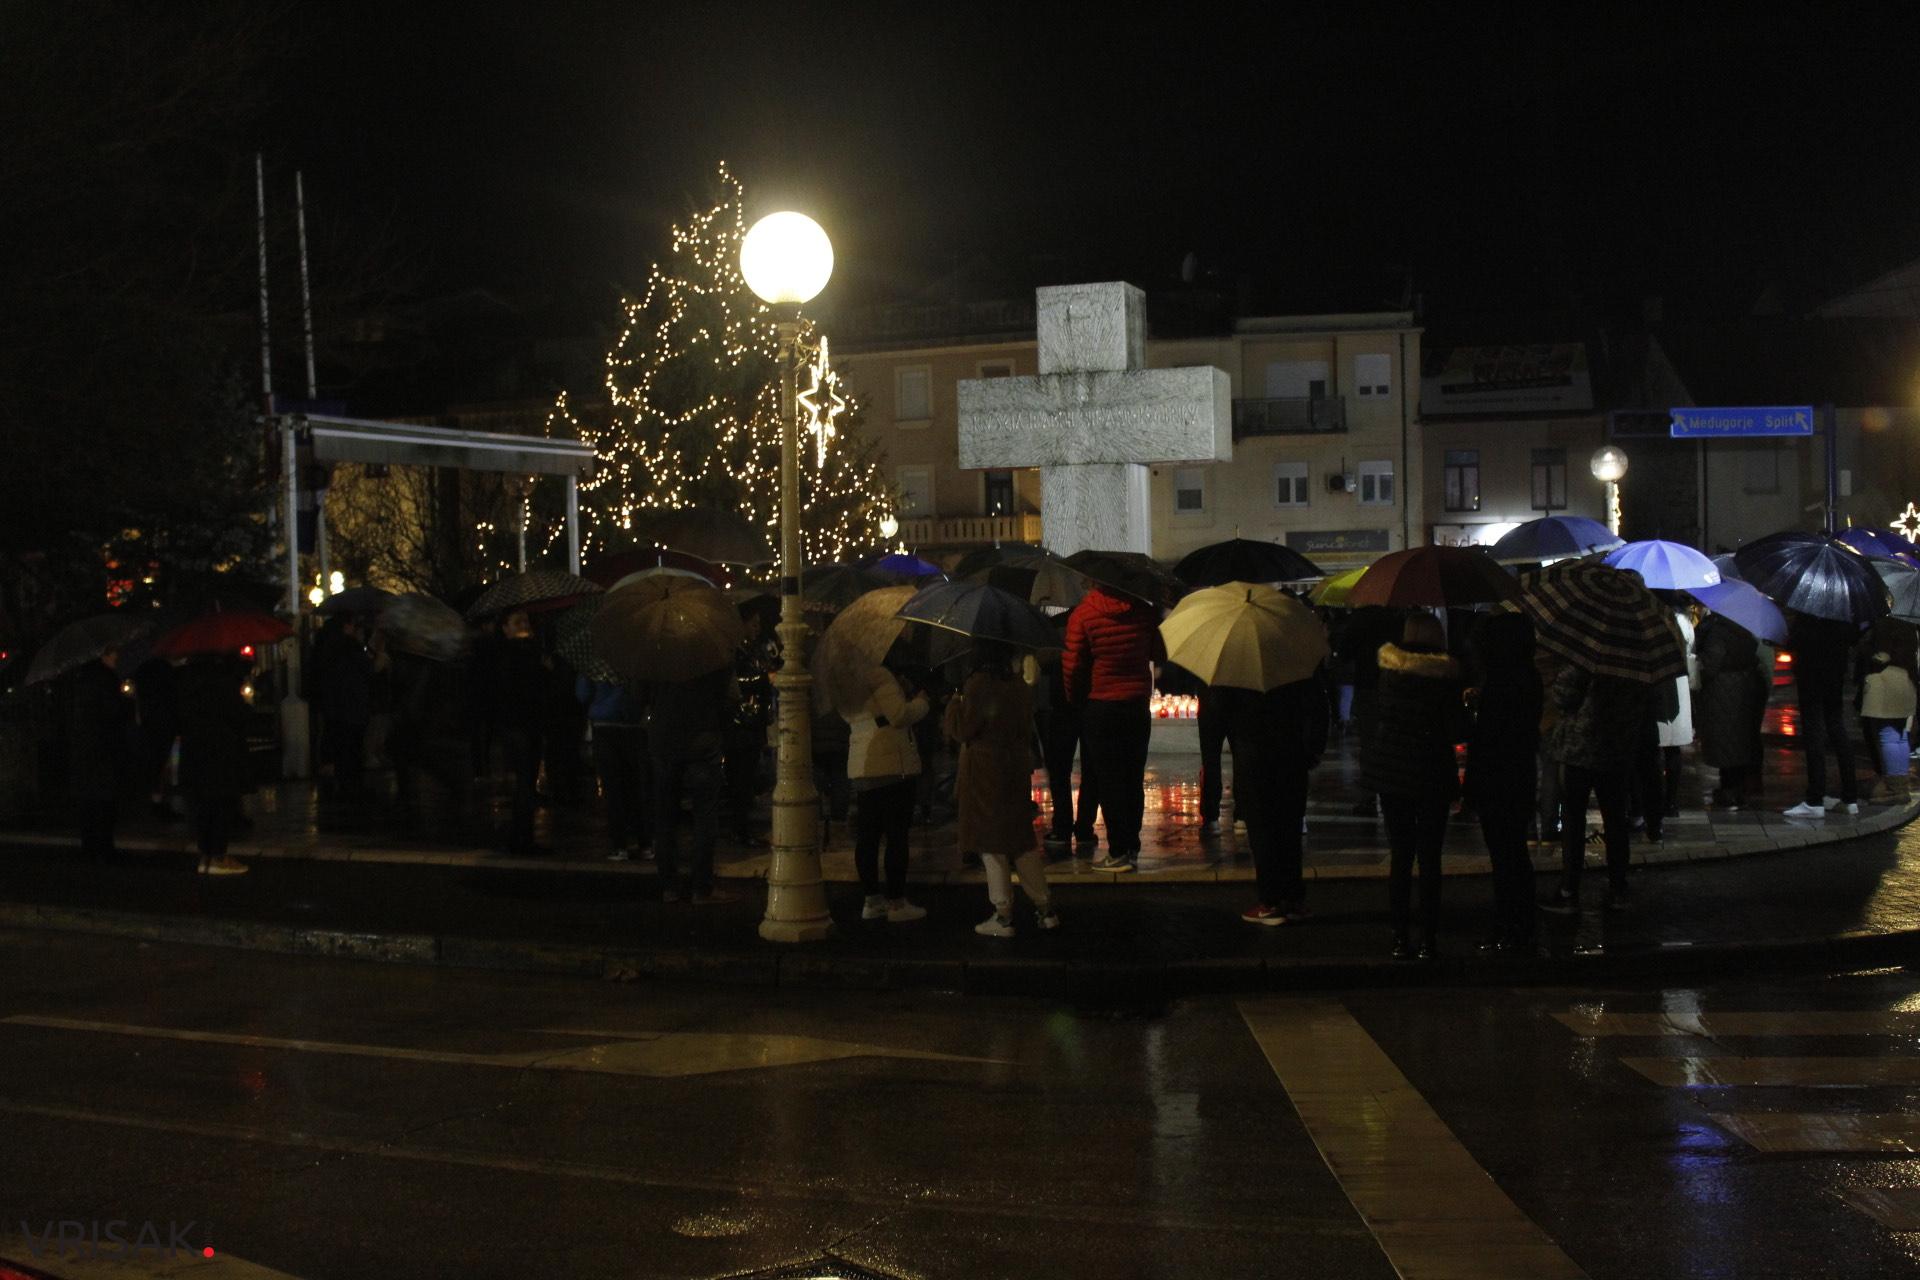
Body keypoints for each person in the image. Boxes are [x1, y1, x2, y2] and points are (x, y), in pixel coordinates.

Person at [1360, 614, 1466, 960]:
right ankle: (1429, 938)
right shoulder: (1446, 678)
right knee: (1430, 856)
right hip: (1433, 772)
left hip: (1393, 773)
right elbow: (1456, 730)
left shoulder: (1389, 674)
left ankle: (1399, 936)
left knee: (1401, 854)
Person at [946, 641, 1058, 936]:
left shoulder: (979, 685)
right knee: (1021, 841)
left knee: (991, 844)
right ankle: (1045, 908)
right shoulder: (1019, 686)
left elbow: (963, 730)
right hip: (1015, 768)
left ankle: (1003, 915)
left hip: (985, 772)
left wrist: (955, 703)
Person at [1062, 584, 1164, 872]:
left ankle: (1117, 851)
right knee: (1133, 776)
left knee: (1109, 779)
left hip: (1101, 706)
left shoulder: (1085, 613)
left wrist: (1077, 698)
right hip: (1136, 703)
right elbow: (1158, 652)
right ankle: (1131, 844)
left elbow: (1073, 664)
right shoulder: (1144, 612)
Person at [1463, 614, 1543, 953]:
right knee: (1513, 854)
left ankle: (1511, 927)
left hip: (1498, 778)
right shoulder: (1527, 675)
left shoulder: (1502, 680)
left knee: (1505, 856)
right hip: (1519, 775)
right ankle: (1518, 924)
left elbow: (1490, 738)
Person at [1543, 663, 1650, 913]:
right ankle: (1618, 889)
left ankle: (1569, 890)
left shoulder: (1586, 661)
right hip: (1616, 750)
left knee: (1573, 818)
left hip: (1580, 749)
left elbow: (1563, 695)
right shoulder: (1634, 667)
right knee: (1615, 820)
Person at [1229, 671, 1330, 925]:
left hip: (1255, 758)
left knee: (1262, 830)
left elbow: (1227, 713)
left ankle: (1271, 901)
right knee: (1289, 828)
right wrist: (1312, 751)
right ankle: (1293, 898)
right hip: (1292, 756)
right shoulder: (1297, 667)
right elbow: (1319, 709)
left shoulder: (1240, 675)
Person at [843, 651, 930, 922]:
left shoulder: (844, 678)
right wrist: (922, 702)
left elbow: (874, 710)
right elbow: (898, 715)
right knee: (896, 835)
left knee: (867, 836)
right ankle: (896, 903)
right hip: (891, 763)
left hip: (862, 761)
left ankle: (872, 900)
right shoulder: (878, 673)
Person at [648, 665, 738, 904]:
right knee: (705, 814)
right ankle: (701, 887)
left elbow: (640, 694)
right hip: (703, 739)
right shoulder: (713, 657)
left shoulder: (658, 654)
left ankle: (669, 885)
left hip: (665, 739)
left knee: (665, 814)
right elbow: (731, 698)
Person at [174, 653, 252, 875]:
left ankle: (206, 855)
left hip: (194, 750)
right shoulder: (222, 681)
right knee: (220, 803)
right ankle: (219, 855)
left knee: (201, 805)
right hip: (220, 750)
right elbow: (238, 713)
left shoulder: (184, 682)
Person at [1782, 610, 1862, 817]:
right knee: (1837, 727)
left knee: (1814, 732)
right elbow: (1854, 637)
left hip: (1811, 674)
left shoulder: (1810, 611)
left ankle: (1815, 798)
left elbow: (1794, 641)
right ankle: (1850, 797)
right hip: (1835, 673)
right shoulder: (1844, 611)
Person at [1694, 611, 1769, 810]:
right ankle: (1739, 790)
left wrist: (1698, 660)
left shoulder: (1719, 632)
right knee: (1740, 742)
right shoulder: (1747, 629)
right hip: (1744, 690)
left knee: (1725, 743)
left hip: (1722, 690)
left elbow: (1711, 663)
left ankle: (1728, 792)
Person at [1037, 621, 1094, 856]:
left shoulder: (1057, 629)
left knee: (1059, 769)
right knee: (1091, 771)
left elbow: (1042, 662)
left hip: (1062, 707)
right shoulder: (1091, 626)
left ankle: (1062, 826)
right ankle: (1084, 828)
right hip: (1089, 704)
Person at [578, 674, 649, 860]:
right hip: (633, 725)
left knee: (613, 788)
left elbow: (582, 694)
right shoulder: (636, 658)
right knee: (635, 785)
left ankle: (620, 845)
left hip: (604, 725)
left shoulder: (596, 660)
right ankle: (645, 843)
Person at [68, 650, 128, 857]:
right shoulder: (106, 679)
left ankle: (89, 845)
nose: (116, 657)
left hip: (85, 748)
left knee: (89, 801)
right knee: (105, 801)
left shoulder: (81, 679)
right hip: (103, 747)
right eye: (113, 653)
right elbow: (113, 713)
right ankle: (103, 847)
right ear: (103, 655)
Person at [725, 609, 776, 843]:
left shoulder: (753, 651)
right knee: (740, 778)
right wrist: (761, 680)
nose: (757, 627)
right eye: (752, 622)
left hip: (751, 725)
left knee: (746, 777)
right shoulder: (735, 653)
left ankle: (741, 826)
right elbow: (738, 685)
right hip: (740, 726)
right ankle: (739, 829)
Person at [1858, 618, 1918, 804]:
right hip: (1906, 681)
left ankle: (1893, 788)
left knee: (1888, 734)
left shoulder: (1886, 622)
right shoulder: (1910, 623)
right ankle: (1900, 785)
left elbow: (1881, 655)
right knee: (1900, 735)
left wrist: (1865, 647)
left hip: (1886, 683)